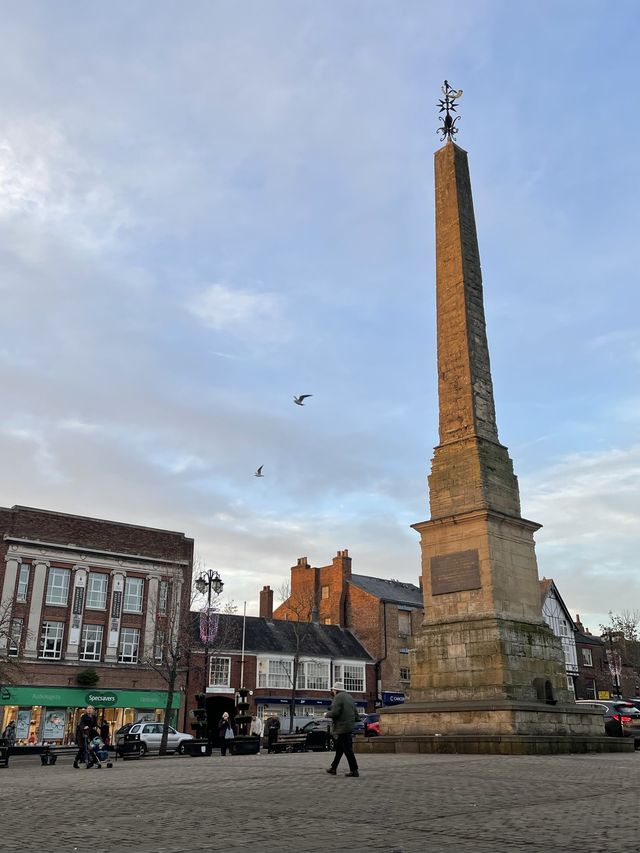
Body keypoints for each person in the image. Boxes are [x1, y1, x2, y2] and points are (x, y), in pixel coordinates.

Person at [325, 680, 360, 778]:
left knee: (347, 750)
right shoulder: (349, 697)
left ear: (335, 690)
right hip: (348, 726)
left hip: (342, 727)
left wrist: (327, 714)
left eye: (333, 690)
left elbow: (335, 712)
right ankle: (333, 768)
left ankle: (354, 770)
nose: (333, 692)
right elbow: (356, 713)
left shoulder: (338, 697)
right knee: (340, 749)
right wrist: (354, 720)